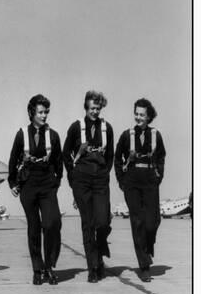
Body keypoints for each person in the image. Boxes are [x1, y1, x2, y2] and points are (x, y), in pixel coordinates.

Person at [8, 94, 63, 285]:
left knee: (52, 223)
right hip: (29, 184)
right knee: (34, 227)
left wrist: (56, 183)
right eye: (40, 112)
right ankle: (37, 270)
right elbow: (13, 158)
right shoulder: (22, 134)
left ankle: (49, 266)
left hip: (47, 184)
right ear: (32, 113)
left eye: (46, 112)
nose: (44, 115)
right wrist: (13, 183)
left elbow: (58, 163)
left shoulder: (53, 135)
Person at [63, 90, 114, 283]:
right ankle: (93, 267)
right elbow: (65, 152)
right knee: (88, 224)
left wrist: (104, 173)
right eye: (92, 108)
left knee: (102, 222)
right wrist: (73, 175)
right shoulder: (76, 127)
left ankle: (101, 249)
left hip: (100, 180)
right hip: (81, 180)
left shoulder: (107, 127)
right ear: (86, 107)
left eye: (98, 108)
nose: (95, 111)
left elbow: (111, 156)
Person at [114, 98, 166, 282]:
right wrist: (122, 180)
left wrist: (158, 178)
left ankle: (148, 246)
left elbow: (161, 157)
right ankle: (144, 265)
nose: (138, 117)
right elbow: (117, 157)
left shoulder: (156, 135)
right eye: (136, 114)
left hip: (150, 180)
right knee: (137, 222)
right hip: (132, 182)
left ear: (149, 116)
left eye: (142, 114)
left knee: (153, 221)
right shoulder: (126, 135)